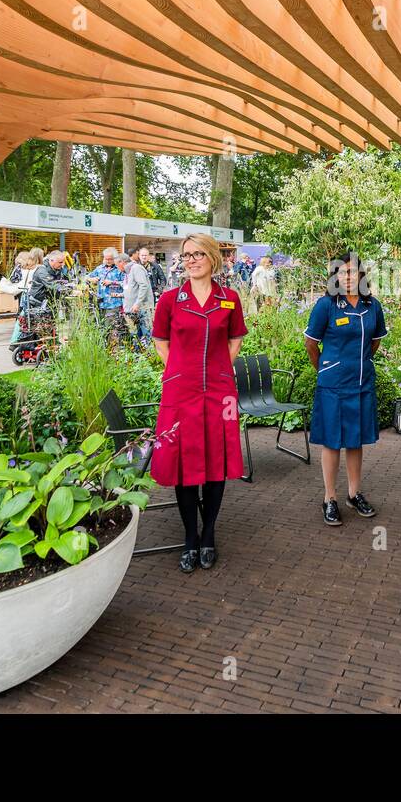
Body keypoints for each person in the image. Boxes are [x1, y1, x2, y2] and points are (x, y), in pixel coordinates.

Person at [150, 233, 248, 573]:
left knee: (217, 461)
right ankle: (190, 538)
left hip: (221, 394)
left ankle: (209, 534)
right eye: (186, 255)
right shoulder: (170, 300)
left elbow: (235, 338)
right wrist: (179, 369)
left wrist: (220, 367)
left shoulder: (229, 299)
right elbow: (160, 340)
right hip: (180, 393)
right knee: (183, 465)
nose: (191, 260)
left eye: (198, 254)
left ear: (212, 259)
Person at [304, 251, 387, 526]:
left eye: (352, 272)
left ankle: (354, 493)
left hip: (362, 382)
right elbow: (311, 344)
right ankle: (330, 498)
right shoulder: (326, 305)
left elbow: (374, 342)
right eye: (342, 272)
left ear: (361, 275)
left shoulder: (372, 305)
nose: (347, 276)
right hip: (333, 384)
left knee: (355, 439)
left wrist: (359, 362)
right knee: (332, 441)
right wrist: (326, 369)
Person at [89, 246, 129, 349]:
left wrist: (111, 282)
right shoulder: (99, 268)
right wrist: (92, 279)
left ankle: (116, 349)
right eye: (105, 258)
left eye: (110, 259)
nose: (107, 261)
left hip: (114, 303)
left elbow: (127, 284)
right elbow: (87, 277)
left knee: (112, 327)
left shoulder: (120, 269)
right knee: (102, 328)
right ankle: (105, 348)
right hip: (101, 303)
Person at [26, 250, 68, 342]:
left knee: (51, 325)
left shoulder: (58, 269)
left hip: (50, 302)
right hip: (39, 302)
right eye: (60, 262)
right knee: (41, 327)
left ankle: (52, 345)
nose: (62, 264)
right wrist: (64, 289)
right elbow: (51, 284)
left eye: (63, 262)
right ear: (51, 260)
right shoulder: (42, 270)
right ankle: (41, 347)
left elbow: (65, 280)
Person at [118, 251, 155, 351]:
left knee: (147, 334)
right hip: (133, 310)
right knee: (137, 336)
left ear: (122, 262)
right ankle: (139, 357)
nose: (118, 268)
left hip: (142, 308)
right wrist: (120, 295)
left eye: (118, 265)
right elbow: (131, 289)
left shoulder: (136, 268)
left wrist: (137, 303)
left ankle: (151, 357)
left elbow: (144, 286)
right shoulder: (128, 272)